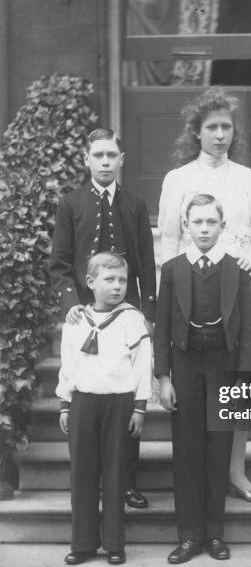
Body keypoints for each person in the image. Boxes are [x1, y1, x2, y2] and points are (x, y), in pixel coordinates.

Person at [158, 87, 251, 503]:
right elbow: (169, 241)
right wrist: (172, 295)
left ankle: (236, 470)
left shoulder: (248, 178)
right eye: (212, 127)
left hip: (237, 290)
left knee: (238, 382)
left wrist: (247, 264)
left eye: (226, 127)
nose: (220, 135)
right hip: (192, 294)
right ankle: (198, 472)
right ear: (196, 131)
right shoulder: (178, 179)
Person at [49, 128, 156, 509]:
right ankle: (88, 482)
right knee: (90, 399)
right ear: (87, 159)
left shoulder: (135, 204)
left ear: (122, 160)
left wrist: (148, 311)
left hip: (125, 317)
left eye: (112, 155)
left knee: (123, 398)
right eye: (99, 156)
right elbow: (59, 262)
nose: (106, 162)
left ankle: (125, 481)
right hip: (86, 316)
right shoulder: (71, 203)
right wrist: (69, 305)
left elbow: (144, 261)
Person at [154, 194, 251, 564]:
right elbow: (162, 326)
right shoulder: (173, 269)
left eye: (212, 222)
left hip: (224, 367)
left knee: (218, 451)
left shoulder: (237, 270)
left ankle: (214, 534)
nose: (205, 229)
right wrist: (163, 378)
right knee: (187, 452)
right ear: (187, 226)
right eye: (198, 223)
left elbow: (247, 331)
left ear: (222, 226)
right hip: (184, 367)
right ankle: (189, 536)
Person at [57, 252, 152, 565]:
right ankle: (83, 543)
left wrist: (140, 407)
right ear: (90, 282)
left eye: (122, 280)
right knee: (82, 473)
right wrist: (65, 405)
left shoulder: (132, 319)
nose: (117, 287)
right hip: (83, 401)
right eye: (109, 279)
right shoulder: (75, 320)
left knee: (114, 473)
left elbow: (141, 365)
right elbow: (68, 364)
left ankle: (114, 543)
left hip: (119, 403)